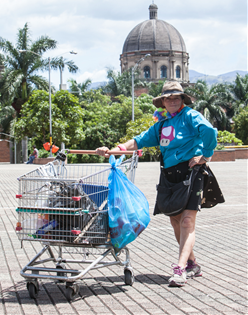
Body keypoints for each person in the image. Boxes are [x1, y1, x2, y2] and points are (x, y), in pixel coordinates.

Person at [96, 81, 224, 287]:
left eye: (176, 97)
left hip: (192, 171)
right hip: (169, 175)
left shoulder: (190, 116)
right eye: (168, 98)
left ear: (182, 99)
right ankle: (192, 263)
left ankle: (180, 268)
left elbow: (209, 131)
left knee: (187, 222)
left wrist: (205, 156)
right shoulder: (162, 125)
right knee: (175, 220)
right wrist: (114, 150)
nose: (172, 101)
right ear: (163, 102)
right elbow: (138, 141)